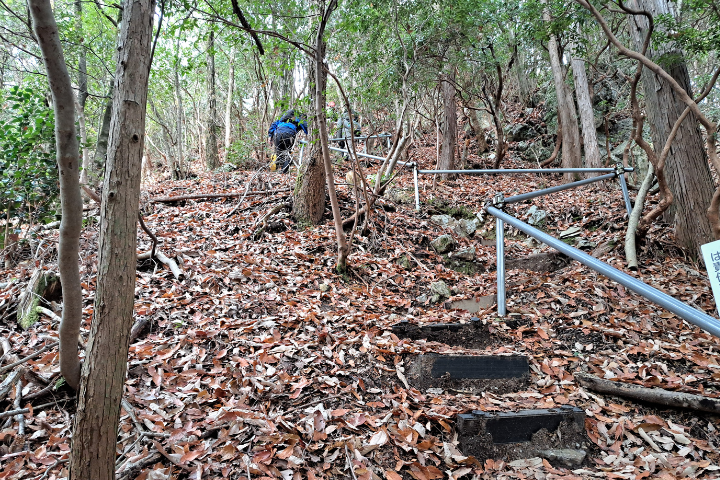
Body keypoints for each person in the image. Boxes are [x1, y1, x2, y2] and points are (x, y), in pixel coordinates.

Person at [268, 109, 308, 174]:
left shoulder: (282, 119)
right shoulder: (299, 118)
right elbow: (306, 127)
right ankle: (284, 172)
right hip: (289, 134)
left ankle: (277, 171)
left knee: (279, 153)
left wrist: (270, 136)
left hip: (277, 133)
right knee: (287, 153)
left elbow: (273, 125)